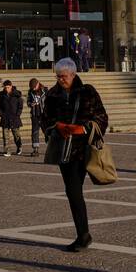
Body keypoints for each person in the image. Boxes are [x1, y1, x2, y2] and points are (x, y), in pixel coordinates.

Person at [41, 58, 108, 252]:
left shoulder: (87, 91)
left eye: (63, 76)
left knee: (74, 190)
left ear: (73, 74)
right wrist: (57, 127)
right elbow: (45, 119)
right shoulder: (53, 94)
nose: (60, 80)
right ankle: (83, 235)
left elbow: (102, 117)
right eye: (58, 76)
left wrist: (83, 128)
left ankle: (83, 235)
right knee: (72, 190)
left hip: (84, 147)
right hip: (65, 148)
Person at [0, 79, 23, 157]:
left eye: (8, 87)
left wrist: (17, 114)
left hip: (14, 117)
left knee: (16, 135)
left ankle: (19, 147)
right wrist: (1, 114)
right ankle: (7, 151)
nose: (6, 89)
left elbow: (20, 106)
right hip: (5, 118)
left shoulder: (17, 95)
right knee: (5, 136)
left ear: (11, 86)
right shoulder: (2, 95)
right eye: (5, 87)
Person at [26, 77, 46, 156]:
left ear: (38, 84)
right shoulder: (30, 92)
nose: (34, 89)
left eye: (35, 87)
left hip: (44, 115)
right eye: (32, 88)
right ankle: (35, 149)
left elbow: (49, 102)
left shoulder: (45, 90)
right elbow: (28, 102)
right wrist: (31, 104)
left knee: (46, 132)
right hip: (34, 114)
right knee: (35, 132)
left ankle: (51, 148)